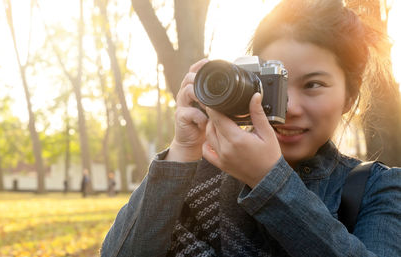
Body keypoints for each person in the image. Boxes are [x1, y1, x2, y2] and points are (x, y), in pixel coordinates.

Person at [101, 0, 401, 256]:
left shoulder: (379, 188)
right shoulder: (196, 172)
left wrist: (268, 182)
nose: (289, 107)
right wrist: (182, 150)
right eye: (274, 85)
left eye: (313, 85)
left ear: (349, 97)